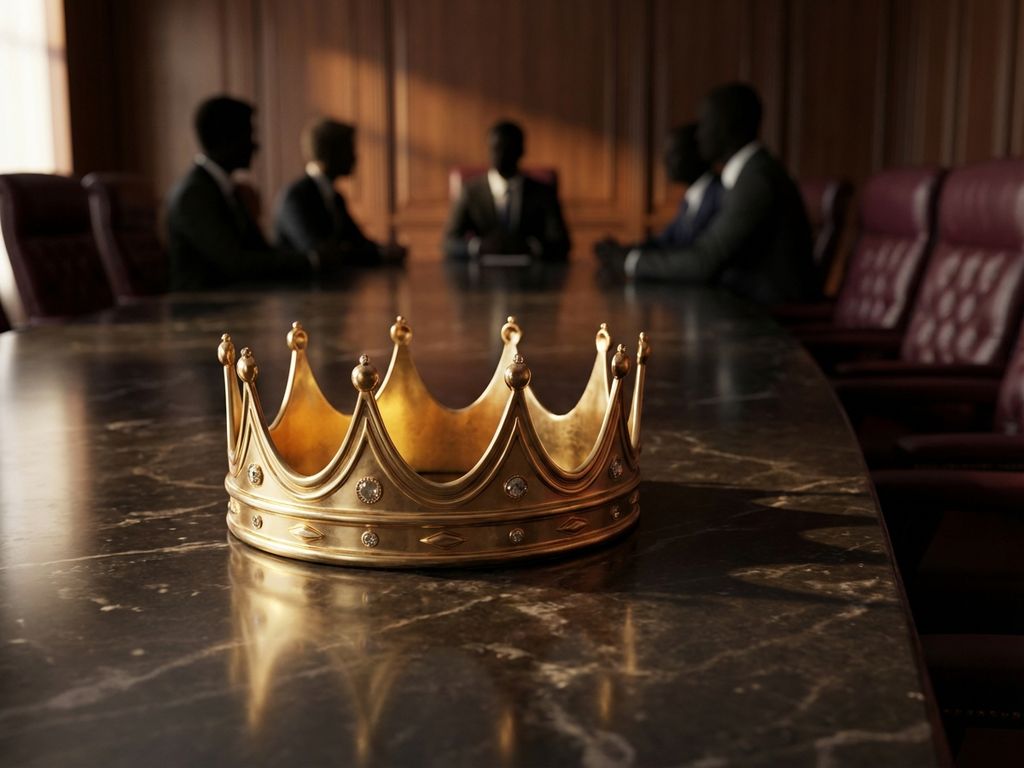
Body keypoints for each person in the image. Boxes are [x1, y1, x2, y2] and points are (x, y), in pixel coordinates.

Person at [600, 83, 815, 305]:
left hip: (773, 320)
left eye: (705, 123)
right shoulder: (750, 173)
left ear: (726, 126)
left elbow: (704, 261)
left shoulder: (756, 179)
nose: (699, 135)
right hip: (749, 310)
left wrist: (630, 262)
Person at [166, 96, 314, 290]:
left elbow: (260, 250)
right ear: (226, 139)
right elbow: (237, 263)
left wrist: (307, 259)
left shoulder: (226, 188)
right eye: (249, 135)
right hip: (201, 311)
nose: (255, 145)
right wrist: (311, 260)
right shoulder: (193, 195)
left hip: (233, 302)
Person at [274, 118, 405, 267]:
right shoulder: (296, 197)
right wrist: (377, 254)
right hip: (298, 288)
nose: (355, 157)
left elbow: (358, 241)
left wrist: (384, 250)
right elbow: (318, 252)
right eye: (349, 149)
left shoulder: (335, 198)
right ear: (330, 153)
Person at [443, 121, 571, 261]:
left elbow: (562, 243)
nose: (500, 155)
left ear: (521, 151)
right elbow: (448, 243)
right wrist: (479, 246)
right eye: (495, 148)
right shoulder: (470, 191)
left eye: (507, 149)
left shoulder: (542, 192)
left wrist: (531, 247)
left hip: (532, 276)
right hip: (481, 275)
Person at [595, 123, 721, 260]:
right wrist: (622, 251)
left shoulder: (719, 194)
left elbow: (695, 253)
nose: (665, 162)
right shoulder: (690, 198)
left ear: (698, 153)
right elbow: (663, 241)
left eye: (674, 154)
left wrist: (628, 259)